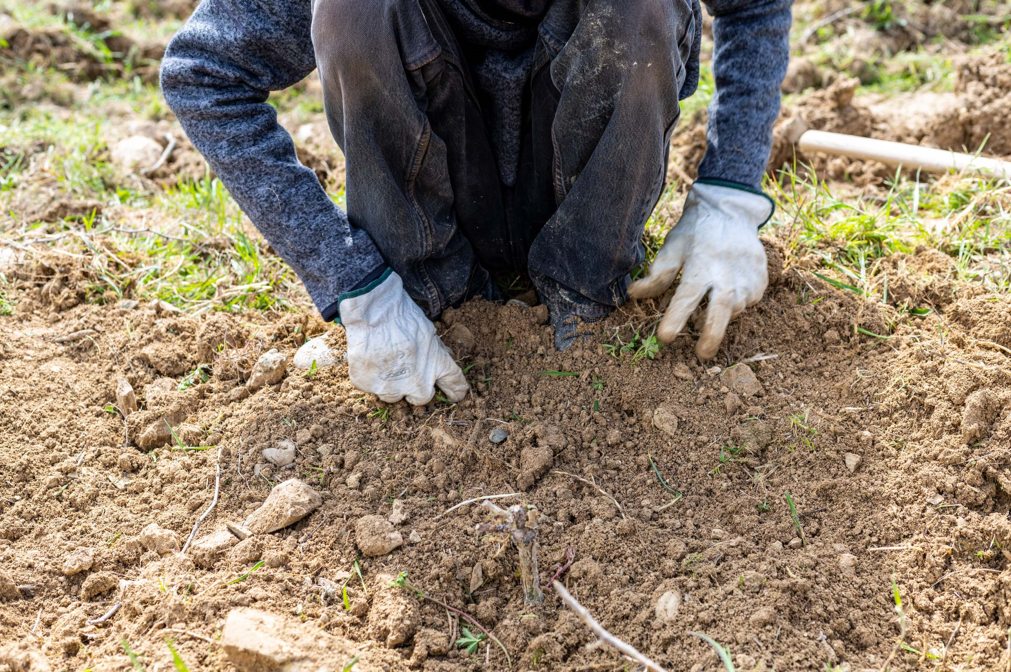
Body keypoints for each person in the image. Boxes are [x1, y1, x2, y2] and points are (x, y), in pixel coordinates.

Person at [161, 0, 792, 406]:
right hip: (424, 236)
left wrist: (728, 193)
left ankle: (584, 300)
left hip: (593, 206)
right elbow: (204, 71)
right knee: (354, 10)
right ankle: (442, 306)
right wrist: (352, 282)